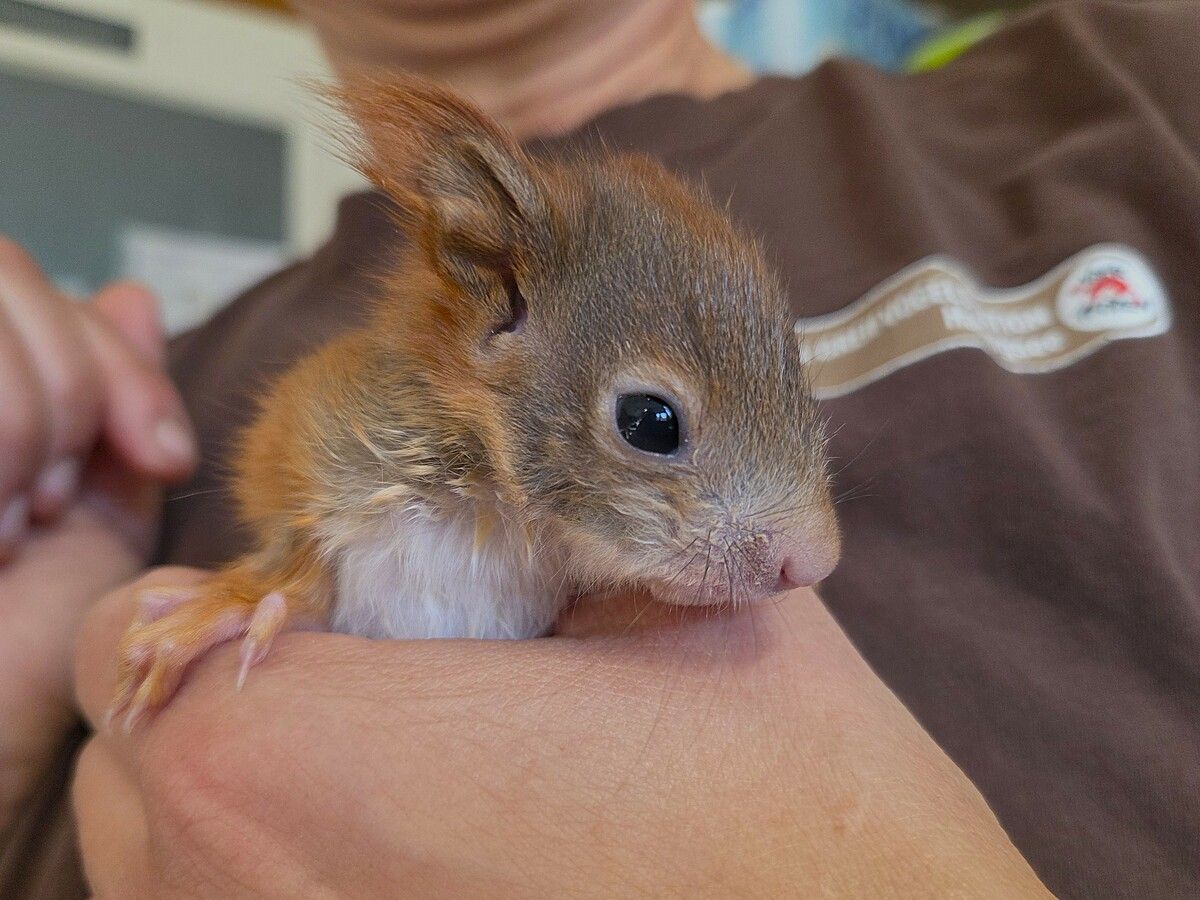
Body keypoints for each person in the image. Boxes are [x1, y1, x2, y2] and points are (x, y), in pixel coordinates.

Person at [2, 0, 1197, 896]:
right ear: (495, 303)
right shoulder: (151, 397)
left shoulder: (1135, 84)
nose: (809, 557)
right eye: (655, 427)